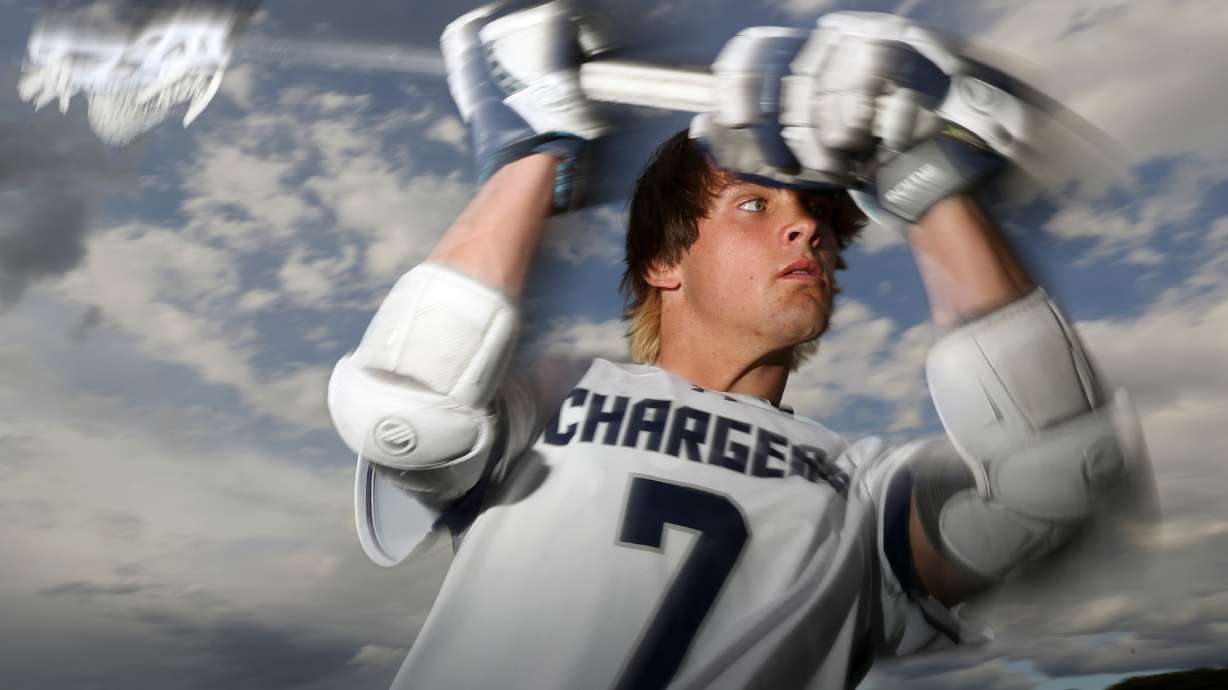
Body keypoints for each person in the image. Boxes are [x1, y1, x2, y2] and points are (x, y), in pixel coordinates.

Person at [327, 4, 1136, 689]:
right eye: (753, 205)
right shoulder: (558, 394)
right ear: (663, 263)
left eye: (819, 220)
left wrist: (924, 186)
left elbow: (1057, 479)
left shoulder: (859, 487)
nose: (807, 229)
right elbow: (407, 410)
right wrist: (532, 149)